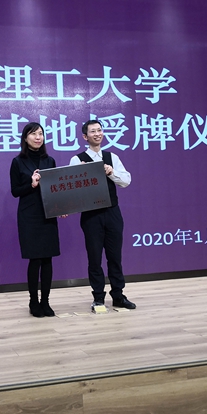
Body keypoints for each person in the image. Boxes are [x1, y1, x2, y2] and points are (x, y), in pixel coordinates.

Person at [69, 119, 136, 311]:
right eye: (93, 131)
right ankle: (98, 297)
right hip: (91, 216)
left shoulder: (112, 157)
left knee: (115, 257)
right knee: (94, 258)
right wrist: (81, 174)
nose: (97, 134)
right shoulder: (77, 160)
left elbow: (126, 181)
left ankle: (118, 295)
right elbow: (71, 191)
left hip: (112, 212)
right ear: (85, 136)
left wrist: (111, 172)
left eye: (99, 130)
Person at [10, 122, 60, 318]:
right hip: (29, 215)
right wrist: (31, 185)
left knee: (48, 259)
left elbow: (56, 188)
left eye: (40, 134)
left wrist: (62, 206)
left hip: (48, 214)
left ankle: (45, 301)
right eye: (33, 134)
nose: (38, 137)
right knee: (35, 259)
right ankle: (33, 301)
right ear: (25, 138)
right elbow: (15, 191)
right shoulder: (17, 162)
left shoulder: (50, 160)